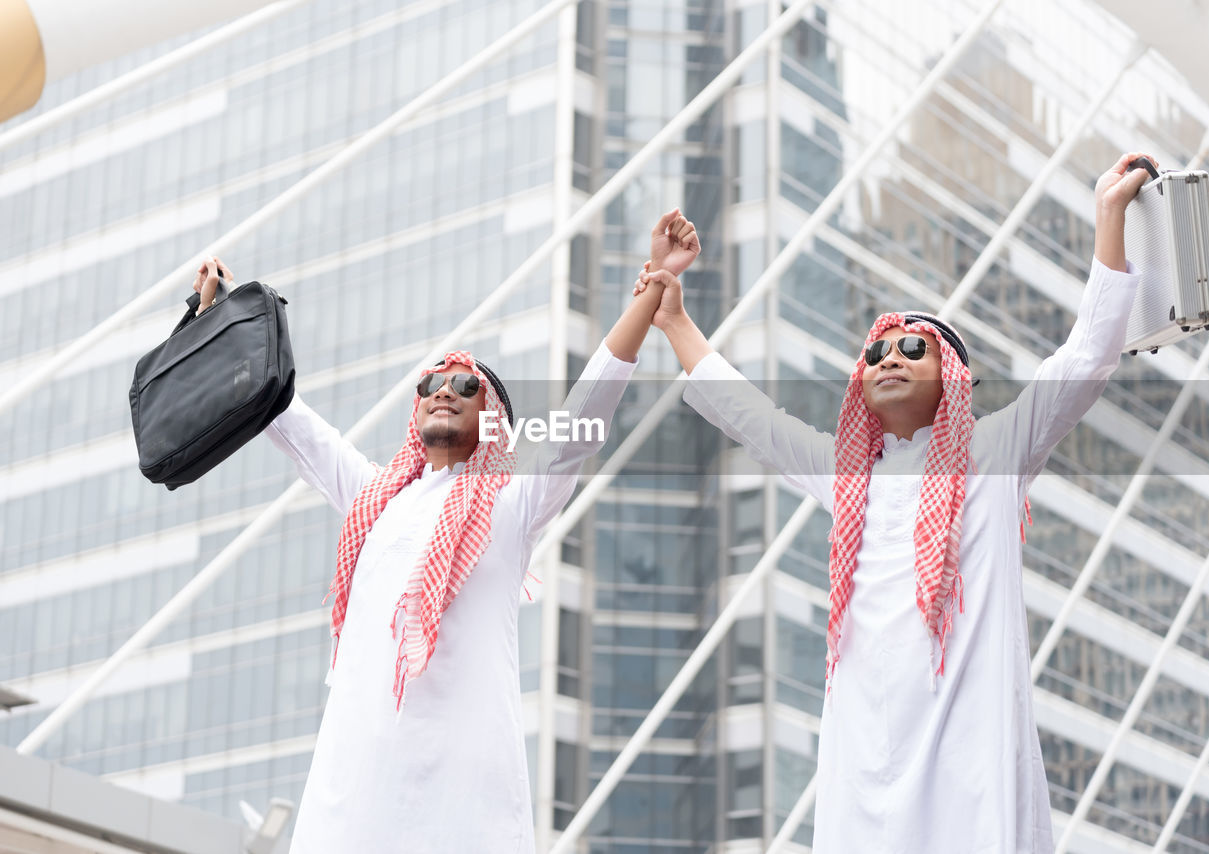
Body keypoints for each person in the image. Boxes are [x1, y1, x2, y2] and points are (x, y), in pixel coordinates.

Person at [635, 154, 1155, 852]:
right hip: (866, 759)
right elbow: (752, 418)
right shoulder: (850, 479)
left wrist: (1109, 218)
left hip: (967, 753)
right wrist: (675, 324)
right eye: (876, 351)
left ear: (954, 378)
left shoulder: (995, 455)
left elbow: (1086, 358)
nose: (889, 358)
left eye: (914, 347)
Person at [189, 209, 699, 853]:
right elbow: (288, 419)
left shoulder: (512, 506)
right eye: (433, 382)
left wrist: (653, 288)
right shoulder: (372, 500)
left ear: (496, 424)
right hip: (352, 810)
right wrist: (224, 318)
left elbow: (585, 412)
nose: (444, 390)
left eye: (467, 385)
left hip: (463, 811)